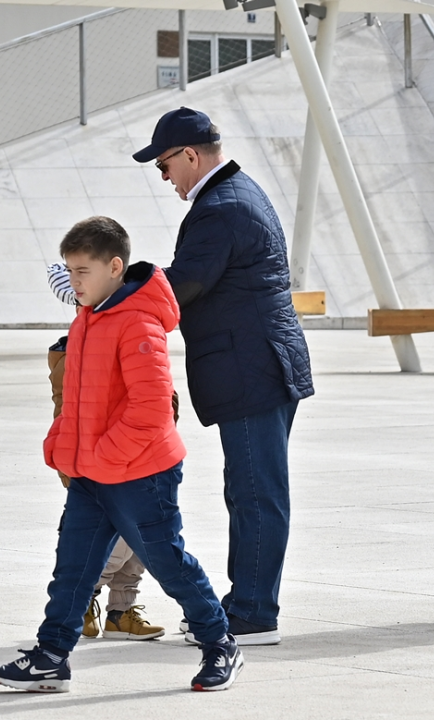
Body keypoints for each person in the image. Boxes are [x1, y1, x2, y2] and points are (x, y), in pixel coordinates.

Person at [0, 216, 243, 693]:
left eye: (82, 270)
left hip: (141, 474)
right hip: (92, 472)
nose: (73, 280)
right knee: (73, 566)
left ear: (114, 266)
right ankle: (51, 656)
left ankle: (220, 642)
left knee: (167, 562)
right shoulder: (89, 317)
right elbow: (78, 397)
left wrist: (102, 454)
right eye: (69, 269)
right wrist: (61, 443)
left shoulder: (139, 323)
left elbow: (151, 409)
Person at [132, 107, 314, 646]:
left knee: (256, 493)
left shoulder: (222, 208)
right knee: (253, 491)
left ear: (190, 155)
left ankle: (254, 613)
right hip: (259, 364)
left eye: (164, 166)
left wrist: (108, 288)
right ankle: (247, 602)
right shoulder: (234, 194)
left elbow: (183, 283)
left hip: (251, 368)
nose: (165, 178)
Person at [46, 262, 165, 642]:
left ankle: (122, 610)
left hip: (139, 456)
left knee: (140, 541)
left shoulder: (125, 330)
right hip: (98, 461)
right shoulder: (79, 348)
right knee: (111, 538)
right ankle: (84, 600)